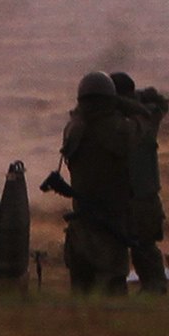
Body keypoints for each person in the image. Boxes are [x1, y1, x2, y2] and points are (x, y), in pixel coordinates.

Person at [57, 70, 138, 295]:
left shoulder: (73, 128)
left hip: (80, 223)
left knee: (81, 293)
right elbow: (140, 131)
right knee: (113, 291)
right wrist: (130, 106)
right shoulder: (119, 129)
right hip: (109, 224)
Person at [109, 70, 169, 295]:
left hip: (140, 196)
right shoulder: (143, 116)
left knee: (143, 248)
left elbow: (159, 102)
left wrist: (126, 101)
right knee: (134, 248)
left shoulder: (141, 119)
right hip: (131, 196)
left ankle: (154, 289)